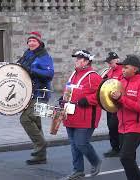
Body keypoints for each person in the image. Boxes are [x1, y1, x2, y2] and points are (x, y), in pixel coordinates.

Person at [62, 50, 103, 179]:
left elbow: (102, 95)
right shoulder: (74, 74)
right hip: (71, 115)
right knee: (74, 146)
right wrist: (63, 99)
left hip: (86, 117)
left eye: (79, 59)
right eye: (76, 59)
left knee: (81, 143)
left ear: (86, 61)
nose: (76, 61)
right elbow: (69, 89)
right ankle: (78, 170)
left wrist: (88, 100)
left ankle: (96, 161)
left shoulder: (94, 76)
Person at [110, 55, 140, 180]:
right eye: (122, 67)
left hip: (137, 126)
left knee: (125, 157)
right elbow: (117, 102)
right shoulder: (121, 81)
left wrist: (121, 98)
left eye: (126, 67)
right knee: (128, 159)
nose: (123, 70)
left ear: (135, 69)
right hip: (122, 126)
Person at [17, 31, 54, 165]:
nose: (31, 43)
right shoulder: (27, 54)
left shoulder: (44, 56)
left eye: (34, 41)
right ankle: (41, 156)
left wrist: (32, 71)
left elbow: (49, 74)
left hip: (41, 94)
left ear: (39, 43)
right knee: (36, 123)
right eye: (29, 41)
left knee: (25, 119)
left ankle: (41, 144)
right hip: (29, 94)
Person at [101, 52, 123, 157]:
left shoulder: (123, 70)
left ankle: (121, 148)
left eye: (111, 62)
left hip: (119, 103)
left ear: (117, 60)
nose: (109, 65)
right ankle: (115, 148)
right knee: (111, 126)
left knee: (117, 126)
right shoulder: (109, 71)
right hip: (110, 103)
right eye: (108, 63)